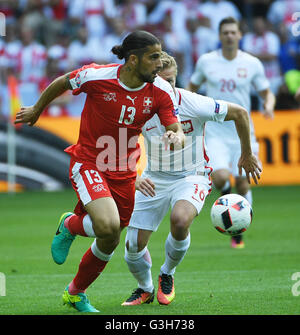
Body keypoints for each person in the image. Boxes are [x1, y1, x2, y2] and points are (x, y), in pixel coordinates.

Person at [14, 30, 185, 313]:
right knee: (107, 225)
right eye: (153, 57)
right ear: (133, 60)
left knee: (112, 237)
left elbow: (174, 127)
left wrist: (175, 137)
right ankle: (70, 227)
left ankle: (74, 291)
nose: (159, 63)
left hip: (124, 171)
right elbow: (63, 82)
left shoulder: (160, 91)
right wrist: (37, 109)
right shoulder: (97, 76)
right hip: (89, 162)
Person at [121, 51, 261, 306]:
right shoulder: (139, 105)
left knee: (180, 219)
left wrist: (246, 154)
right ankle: (145, 288)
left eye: (171, 81)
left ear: (177, 79)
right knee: (132, 247)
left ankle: (167, 273)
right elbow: (121, 139)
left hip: (192, 176)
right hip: (154, 177)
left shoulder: (192, 102)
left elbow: (240, 113)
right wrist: (132, 175)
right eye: (160, 81)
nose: (167, 87)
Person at [187, 17, 275, 249]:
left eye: (232, 32)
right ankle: (227, 199)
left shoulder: (252, 63)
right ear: (219, 36)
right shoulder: (207, 61)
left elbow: (267, 92)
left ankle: (239, 230)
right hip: (216, 130)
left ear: (239, 35)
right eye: (225, 32)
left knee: (244, 184)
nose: (229, 36)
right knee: (220, 178)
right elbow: (192, 88)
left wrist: (268, 104)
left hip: (243, 133)